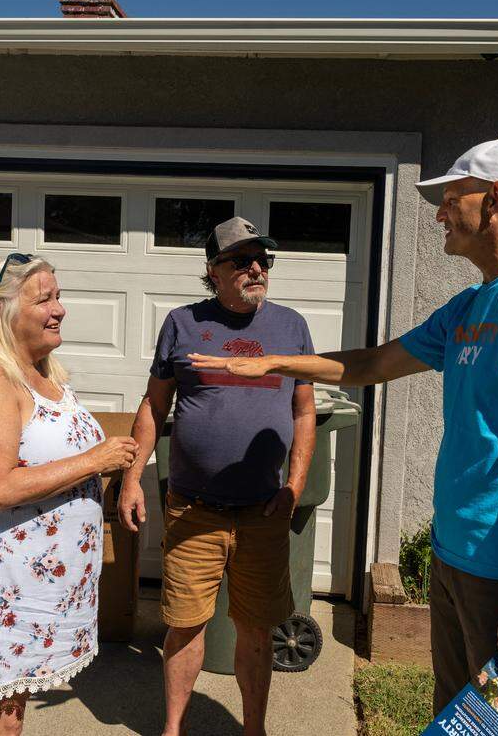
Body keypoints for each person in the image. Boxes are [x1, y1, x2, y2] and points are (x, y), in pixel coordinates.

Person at [189, 139, 498, 735]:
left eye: (448, 197)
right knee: (461, 721)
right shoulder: (469, 307)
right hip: (455, 555)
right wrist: (275, 364)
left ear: (493, 200)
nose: (439, 212)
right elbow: (371, 365)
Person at [117, 217, 317, 736]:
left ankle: (254, 729)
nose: (256, 269)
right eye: (242, 260)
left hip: (263, 510)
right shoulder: (182, 324)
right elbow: (153, 406)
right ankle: (173, 729)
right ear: (213, 270)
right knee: (184, 625)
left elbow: (303, 410)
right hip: (193, 507)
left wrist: (295, 485)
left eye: (263, 260)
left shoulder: (291, 327)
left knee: (255, 629)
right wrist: (134, 477)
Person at [0, 253, 138, 736]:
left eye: (58, 296)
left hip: (37, 583)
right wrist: (95, 461)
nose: (59, 309)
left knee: (11, 714)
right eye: (44, 299)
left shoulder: (42, 372)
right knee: (1, 722)